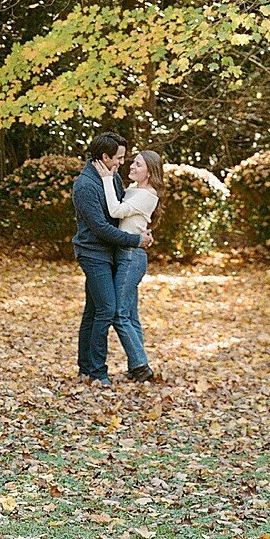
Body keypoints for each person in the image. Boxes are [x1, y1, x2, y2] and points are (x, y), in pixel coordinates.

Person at [72, 132, 152, 386]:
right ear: (104, 157)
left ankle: (86, 368)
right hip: (93, 254)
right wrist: (135, 241)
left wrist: (139, 229)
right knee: (107, 309)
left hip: (110, 253)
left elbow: (119, 213)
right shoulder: (85, 186)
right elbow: (101, 228)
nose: (122, 162)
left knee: (94, 310)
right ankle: (97, 371)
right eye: (118, 158)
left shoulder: (111, 177)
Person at [95, 150, 164, 384]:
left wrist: (106, 178)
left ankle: (141, 366)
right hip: (126, 252)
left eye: (138, 164)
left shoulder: (148, 194)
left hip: (132, 256)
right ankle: (138, 366)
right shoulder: (134, 190)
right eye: (133, 162)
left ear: (150, 171)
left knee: (119, 314)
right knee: (130, 315)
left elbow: (116, 211)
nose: (131, 167)